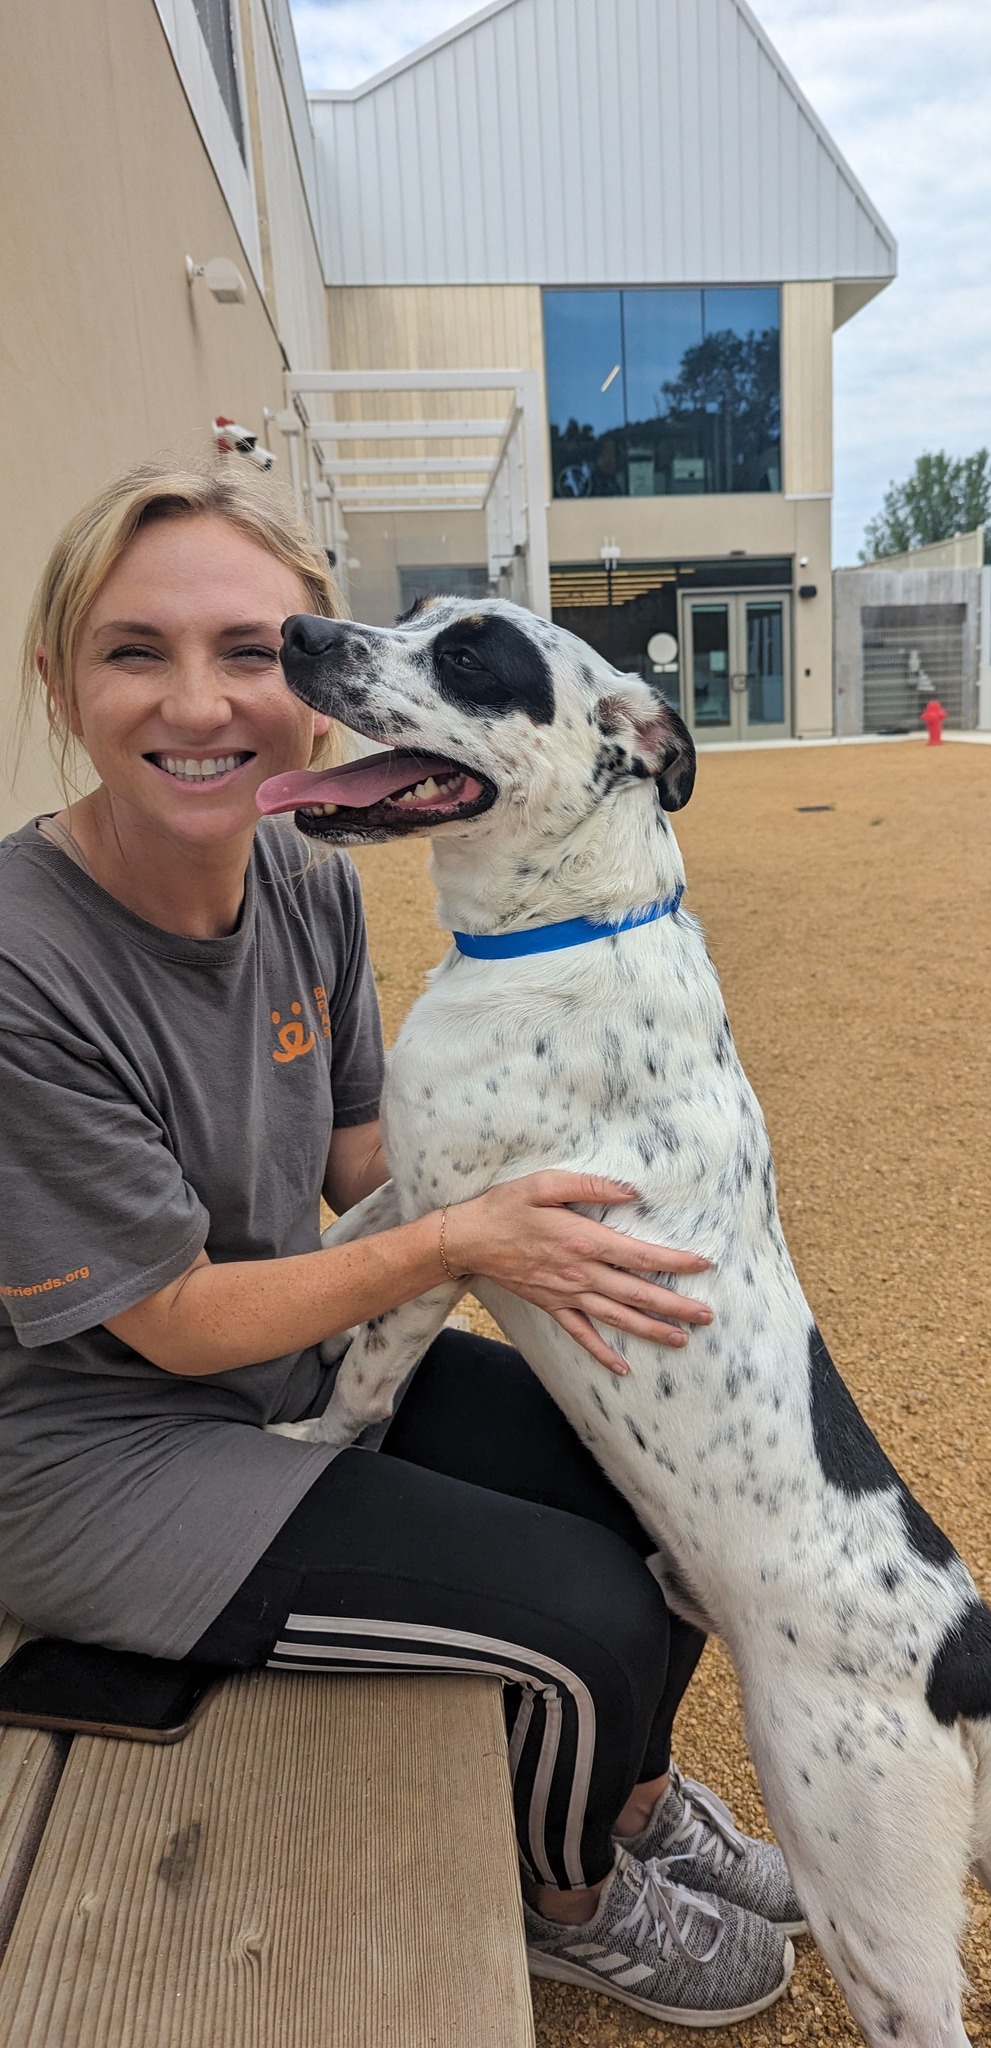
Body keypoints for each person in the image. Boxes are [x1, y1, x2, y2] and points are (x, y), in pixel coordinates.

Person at [0, 464, 800, 2027]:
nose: (201, 702)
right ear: (57, 681)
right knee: (590, 1612)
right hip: (96, 1455)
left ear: (307, 678)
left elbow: (373, 1160)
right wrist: (465, 1234)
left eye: (248, 648)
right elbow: (165, 1323)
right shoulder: (24, 964)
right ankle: (567, 1893)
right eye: (133, 652)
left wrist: (610, 1117)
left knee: (664, 1509)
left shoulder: (306, 876)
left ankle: (622, 1798)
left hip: (289, 1356)